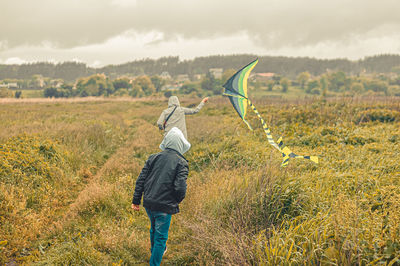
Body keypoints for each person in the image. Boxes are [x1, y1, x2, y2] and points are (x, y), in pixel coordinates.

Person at [132, 127, 190, 266]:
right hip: (164, 206)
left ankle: (154, 253)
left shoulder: (153, 157)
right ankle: (154, 262)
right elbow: (180, 187)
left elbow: (141, 179)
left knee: (154, 230)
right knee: (161, 238)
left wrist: (136, 200)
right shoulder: (182, 163)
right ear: (180, 144)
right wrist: (175, 201)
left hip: (149, 203)